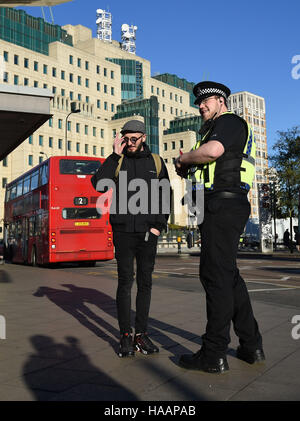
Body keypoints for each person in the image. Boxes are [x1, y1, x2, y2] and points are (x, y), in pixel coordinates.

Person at [174, 81, 264, 373]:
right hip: (219, 205)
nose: (202, 106)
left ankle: (214, 352)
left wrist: (184, 158)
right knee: (228, 276)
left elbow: (213, 152)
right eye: (199, 102)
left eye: (207, 101)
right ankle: (252, 345)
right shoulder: (213, 129)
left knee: (215, 277)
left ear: (222, 102)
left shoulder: (229, 122)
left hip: (223, 206)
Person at [91, 119, 171, 357]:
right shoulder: (118, 161)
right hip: (123, 232)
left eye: (134, 138)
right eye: (126, 139)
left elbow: (165, 193)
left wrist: (158, 226)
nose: (130, 143)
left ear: (144, 137)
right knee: (125, 282)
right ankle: (126, 335)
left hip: (148, 233)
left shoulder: (155, 162)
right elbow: (98, 184)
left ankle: (141, 335)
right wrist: (115, 155)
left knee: (145, 284)